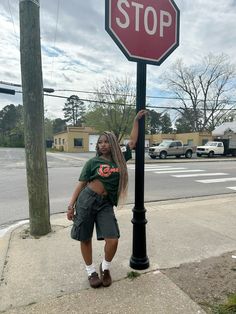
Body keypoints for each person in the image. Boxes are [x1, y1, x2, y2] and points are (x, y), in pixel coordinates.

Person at [67, 109, 147, 288]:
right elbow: (80, 184)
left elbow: (133, 141)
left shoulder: (120, 159)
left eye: (106, 142)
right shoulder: (92, 163)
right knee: (85, 237)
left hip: (105, 204)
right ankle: (91, 272)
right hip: (87, 201)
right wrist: (70, 206)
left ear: (112, 143)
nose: (102, 145)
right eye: (100, 143)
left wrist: (136, 120)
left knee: (113, 239)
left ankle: (106, 267)